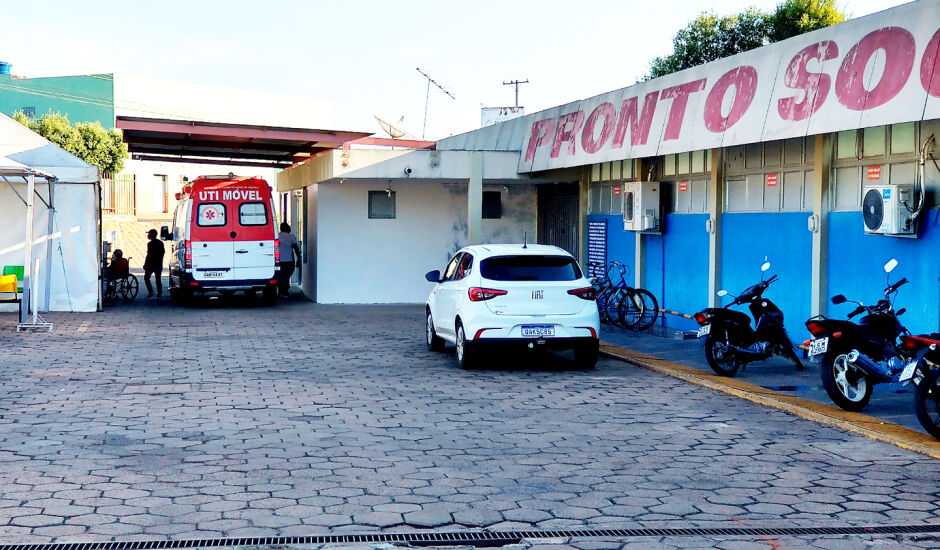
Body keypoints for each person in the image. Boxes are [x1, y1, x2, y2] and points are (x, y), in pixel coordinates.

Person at [277, 222, 301, 297]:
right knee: (287, 276)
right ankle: (285, 290)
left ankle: (281, 291)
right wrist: (299, 258)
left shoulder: (277, 236)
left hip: (279, 260)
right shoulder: (291, 237)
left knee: (280, 277)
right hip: (289, 260)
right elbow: (296, 248)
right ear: (288, 228)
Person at [143, 229, 165, 298]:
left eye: (149, 234)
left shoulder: (150, 244)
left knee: (146, 278)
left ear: (153, 234)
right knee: (158, 279)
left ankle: (151, 292)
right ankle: (159, 293)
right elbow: (163, 253)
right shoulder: (160, 243)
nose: (148, 235)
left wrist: (145, 264)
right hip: (159, 264)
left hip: (150, 264)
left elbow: (149, 255)